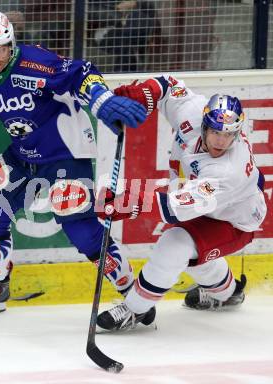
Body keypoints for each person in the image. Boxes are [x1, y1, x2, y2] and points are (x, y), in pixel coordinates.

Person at [0, 12, 147, 314]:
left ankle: (134, 296)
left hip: (66, 154)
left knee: (81, 231)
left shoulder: (36, 63)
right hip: (22, 155)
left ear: (12, 44)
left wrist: (102, 99)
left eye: (2, 48)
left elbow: (81, 74)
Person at [95, 75, 267, 331]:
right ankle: (228, 292)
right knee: (194, 255)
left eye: (228, 134)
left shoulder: (229, 170)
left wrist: (128, 202)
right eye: (215, 132)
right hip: (204, 200)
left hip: (234, 219)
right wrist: (143, 93)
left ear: (237, 132)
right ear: (205, 125)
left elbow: (174, 209)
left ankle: (135, 310)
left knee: (175, 245)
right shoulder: (193, 113)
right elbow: (171, 86)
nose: (221, 141)